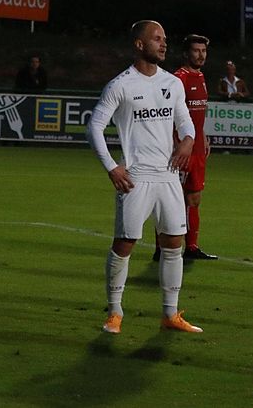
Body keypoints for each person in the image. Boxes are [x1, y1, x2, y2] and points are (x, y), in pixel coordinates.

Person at [88, 20, 203, 335]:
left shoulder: (172, 83)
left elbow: (185, 121)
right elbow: (94, 127)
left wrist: (188, 141)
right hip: (135, 177)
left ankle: (170, 314)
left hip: (168, 176)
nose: (164, 44)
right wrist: (112, 167)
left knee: (174, 243)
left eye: (165, 39)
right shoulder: (121, 85)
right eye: (157, 39)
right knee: (125, 243)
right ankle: (115, 311)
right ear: (139, 44)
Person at [174, 34, 217, 260]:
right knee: (172, 199)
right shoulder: (178, 79)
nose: (201, 55)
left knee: (194, 198)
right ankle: (162, 249)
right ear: (186, 53)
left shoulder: (200, 76)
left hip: (198, 148)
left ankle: (191, 247)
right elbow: (172, 115)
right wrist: (177, 144)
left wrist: (203, 135)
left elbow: (198, 113)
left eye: (204, 51)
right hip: (182, 148)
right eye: (196, 50)